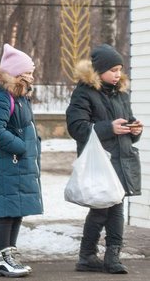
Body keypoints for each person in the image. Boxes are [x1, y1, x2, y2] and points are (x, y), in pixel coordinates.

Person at [65, 44, 142, 274]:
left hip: (121, 159)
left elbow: (125, 122)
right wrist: (109, 128)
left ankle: (105, 256)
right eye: (113, 70)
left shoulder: (121, 94)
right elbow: (77, 127)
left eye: (120, 69)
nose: (118, 74)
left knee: (115, 208)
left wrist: (134, 130)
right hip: (100, 161)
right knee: (102, 210)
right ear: (99, 70)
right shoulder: (84, 93)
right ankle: (92, 256)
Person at [0, 44, 42, 277]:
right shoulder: (3, 97)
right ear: (16, 73)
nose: (32, 77)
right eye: (28, 73)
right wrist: (21, 147)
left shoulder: (20, 97)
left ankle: (9, 256)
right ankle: (1, 259)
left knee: (16, 211)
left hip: (18, 163)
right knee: (6, 212)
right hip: (7, 163)